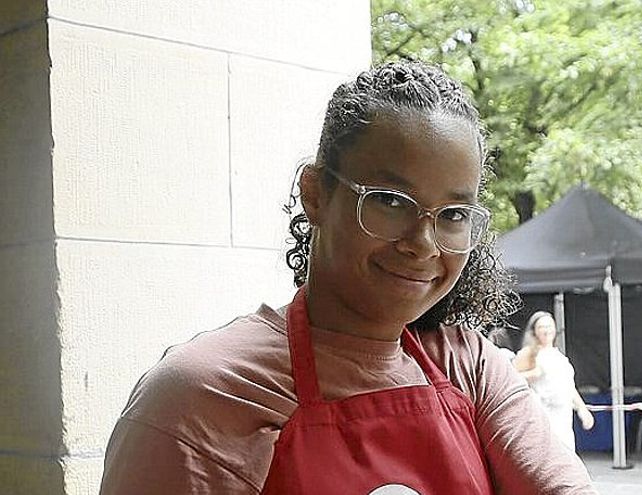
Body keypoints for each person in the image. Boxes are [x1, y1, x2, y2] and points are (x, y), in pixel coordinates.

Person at [99, 60, 599, 494]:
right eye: (389, 201)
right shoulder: (203, 397)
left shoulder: (468, 367)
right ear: (315, 194)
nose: (423, 243)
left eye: (452, 213)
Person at [513, 311, 594, 451]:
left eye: (549, 326)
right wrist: (533, 374)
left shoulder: (558, 356)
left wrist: (582, 409)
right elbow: (511, 379)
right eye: (542, 327)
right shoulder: (528, 353)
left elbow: (569, 386)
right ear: (534, 331)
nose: (546, 330)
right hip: (541, 416)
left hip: (563, 416)